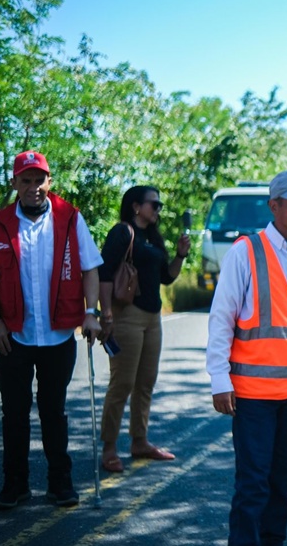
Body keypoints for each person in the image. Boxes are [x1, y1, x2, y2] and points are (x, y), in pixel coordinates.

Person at [206, 170, 287, 545]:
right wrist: (218, 378)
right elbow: (222, 317)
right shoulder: (246, 251)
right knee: (253, 485)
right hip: (253, 394)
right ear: (274, 206)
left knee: (282, 484)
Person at [0, 151, 103, 509]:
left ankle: (60, 483)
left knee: (54, 411)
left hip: (58, 336)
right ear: (15, 184)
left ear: (49, 182)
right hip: (14, 337)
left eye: (40, 180)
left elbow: (90, 268)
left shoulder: (69, 217)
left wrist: (91, 312)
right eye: (26, 180)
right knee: (15, 414)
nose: (34, 187)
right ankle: (15, 484)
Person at [96, 186, 191, 472]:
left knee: (146, 382)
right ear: (136, 206)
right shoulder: (123, 233)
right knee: (122, 383)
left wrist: (180, 255)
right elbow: (103, 274)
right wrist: (106, 313)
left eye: (160, 205)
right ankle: (109, 448)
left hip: (153, 317)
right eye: (155, 204)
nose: (159, 209)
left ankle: (140, 441)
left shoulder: (153, 237)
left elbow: (166, 277)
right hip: (127, 316)